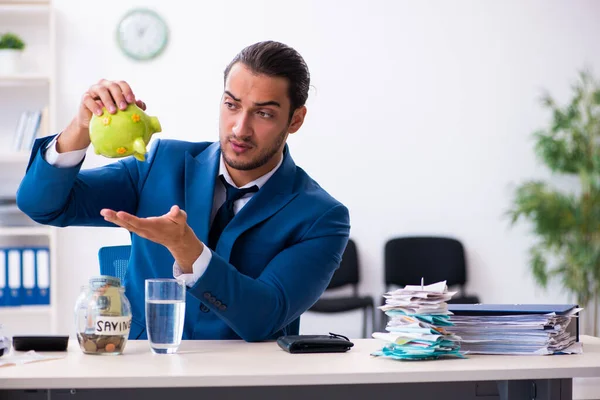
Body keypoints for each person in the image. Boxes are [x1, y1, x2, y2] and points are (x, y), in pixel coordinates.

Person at [16, 41, 350, 342]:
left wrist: (188, 250)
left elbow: (264, 318)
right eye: (232, 105)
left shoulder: (321, 218)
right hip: (144, 375)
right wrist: (79, 129)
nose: (239, 128)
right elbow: (43, 206)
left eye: (263, 113)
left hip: (245, 382)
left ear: (295, 120)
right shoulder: (158, 163)